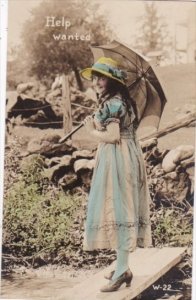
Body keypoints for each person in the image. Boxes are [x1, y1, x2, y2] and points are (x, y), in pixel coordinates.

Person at [80, 57, 152, 292]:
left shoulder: (113, 104)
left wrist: (92, 130)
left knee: (118, 207)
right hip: (127, 154)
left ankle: (121, 271)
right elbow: (120, 130)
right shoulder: (123, 101)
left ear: (112, 81)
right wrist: (97, 122)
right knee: (120, 207)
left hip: (117, 158)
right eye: (95, 78)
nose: (97, 82)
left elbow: (113, 136)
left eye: (102, 78)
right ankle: (123, 266)